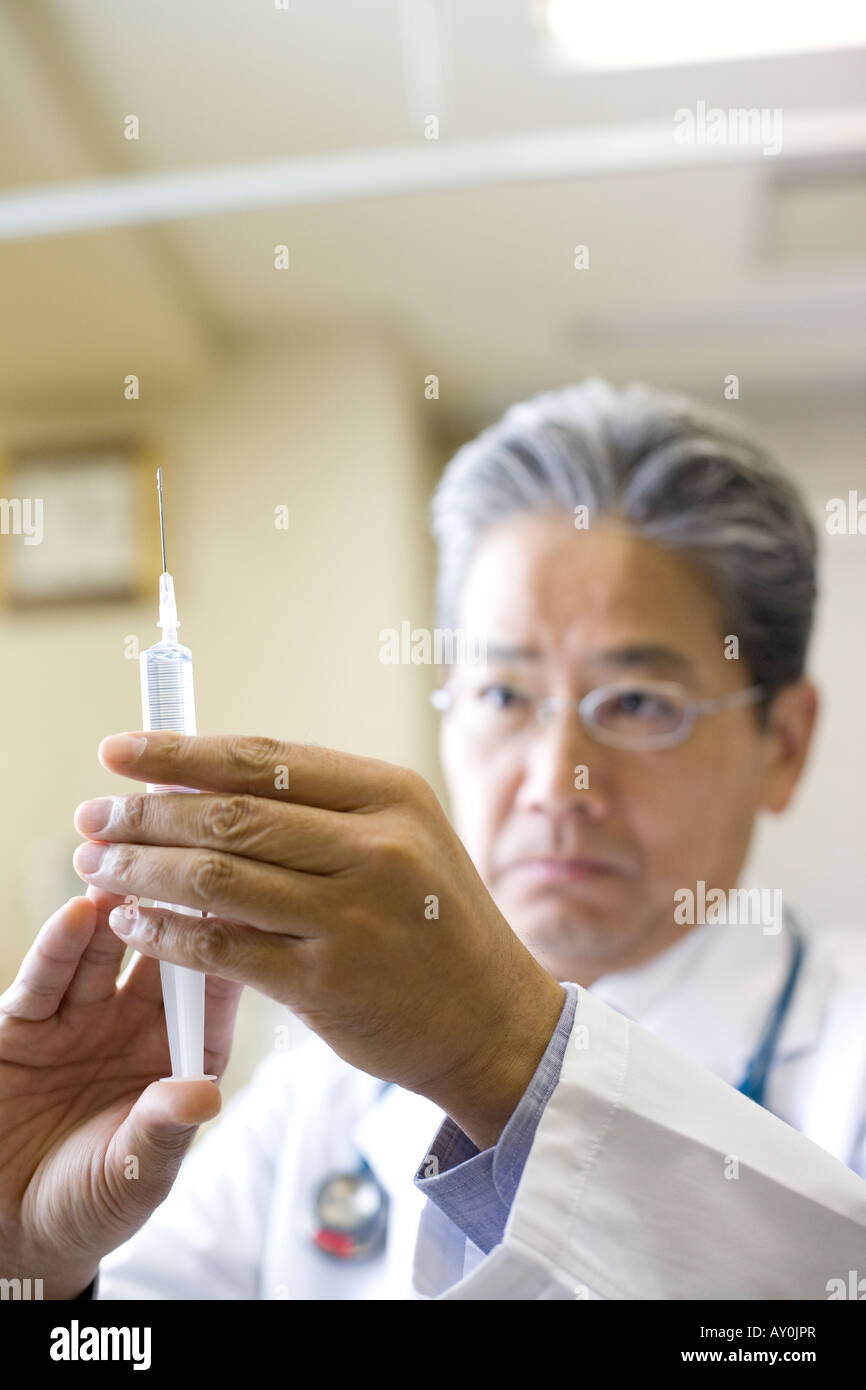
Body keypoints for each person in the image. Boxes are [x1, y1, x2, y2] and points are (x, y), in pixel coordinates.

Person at [1, 379, 864, 1301]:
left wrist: (505, 1058)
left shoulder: (843, 1048)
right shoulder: (318, 1094)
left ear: (785, 743)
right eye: (502, 696)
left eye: (639, 704)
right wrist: (38, 1275)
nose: (555, 783)